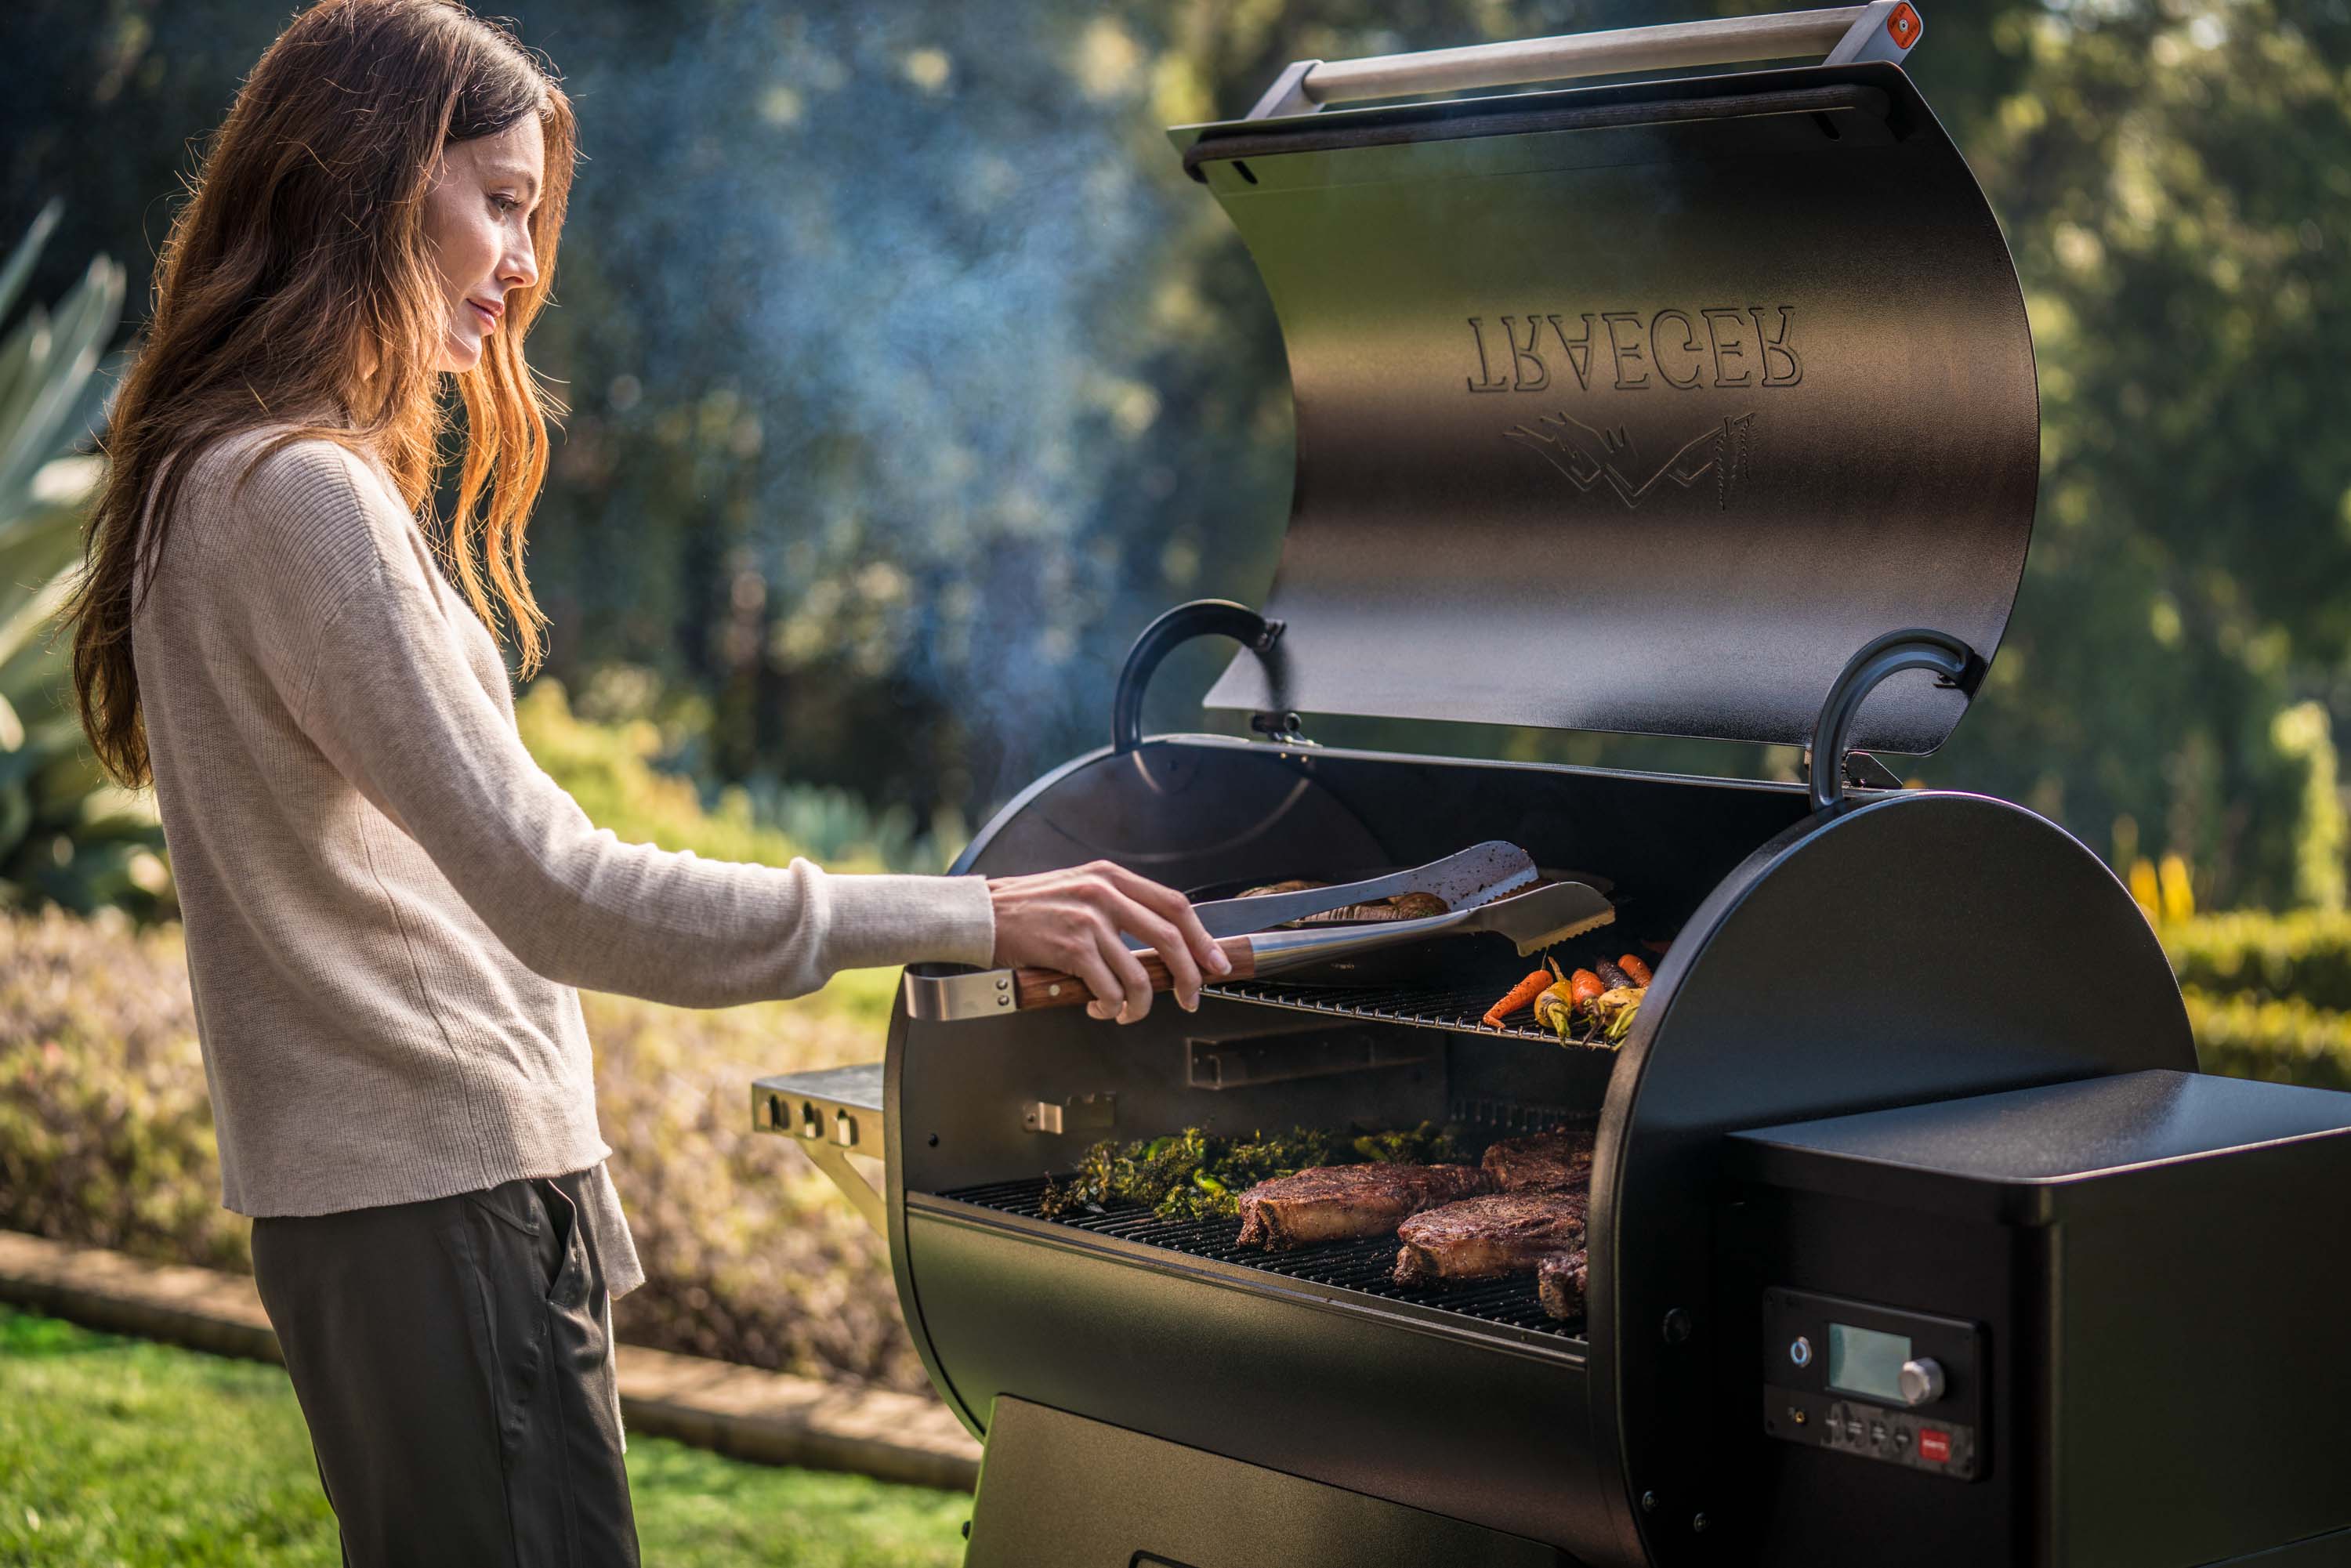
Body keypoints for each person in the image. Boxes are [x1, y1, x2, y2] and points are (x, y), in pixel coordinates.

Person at [59, 2, 1227, 1561]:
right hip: (445, 1197)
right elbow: (562, 891)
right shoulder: (304, 498)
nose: (524, 262)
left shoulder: (208, 476)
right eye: (500, 200)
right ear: (365, 177)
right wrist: (977, 913)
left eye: (534, 212)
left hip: (375, 1214)